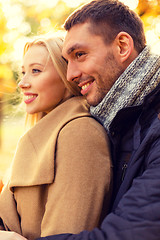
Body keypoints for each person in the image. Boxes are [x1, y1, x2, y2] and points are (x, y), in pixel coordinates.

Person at [35, 0, 160, 240]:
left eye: (79, 54)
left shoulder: (152, 125)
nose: (70, 75)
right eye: (67, 60)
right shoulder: (117, 121)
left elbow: (127, 235)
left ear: (122, 46)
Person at [0, 35, 112, 240]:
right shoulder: (40, 136)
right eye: (23, 72)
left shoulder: (80, 135)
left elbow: (66, 234)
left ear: (66, 75)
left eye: (36, 71)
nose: (22, 83)